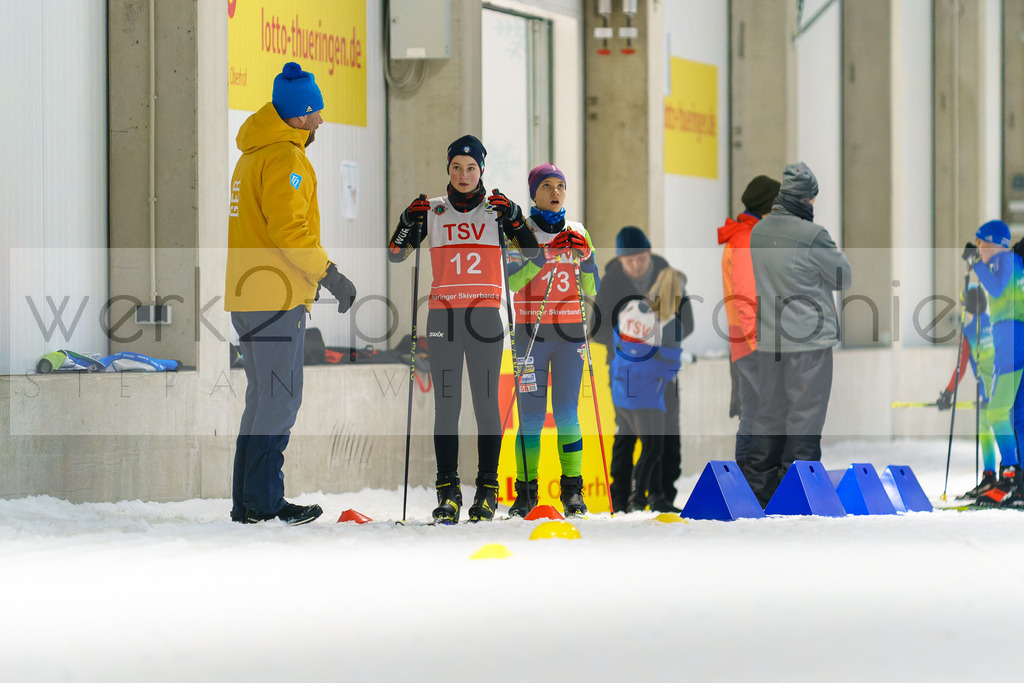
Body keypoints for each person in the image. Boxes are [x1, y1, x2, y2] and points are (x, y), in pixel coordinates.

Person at [225, 62, 357, 526]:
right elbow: (291, 231)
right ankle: (263, 501)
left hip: (248, 294)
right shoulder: (284, 157)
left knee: (263, 395)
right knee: (280, 397)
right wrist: (331, 274)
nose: (321, 119)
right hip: (274, 295)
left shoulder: (253, 153)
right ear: (300, 114)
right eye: (316, 111)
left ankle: (248, 499)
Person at [387, 134, 542, 523]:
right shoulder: (434, 211)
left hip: (485, 318)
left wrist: (516, 219)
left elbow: (533, 255)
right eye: (456, 166)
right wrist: (407, 219)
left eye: (471, 168)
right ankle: (448, 491)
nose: (463, 174)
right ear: (448, 170)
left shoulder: (496, 210)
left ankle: (486, 491)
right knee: (447, 406)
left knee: (486, 405)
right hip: (443, 319)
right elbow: (395, 253)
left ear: (482, 171)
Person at [746, 162, 851, 508]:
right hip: (809, 341)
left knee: (768, 416)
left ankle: (760, 492)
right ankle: (796, 495)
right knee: (805, 418)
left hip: (769, 342)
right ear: (806, 199)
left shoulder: (758, 232)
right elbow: (842, 277)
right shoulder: (813, 234)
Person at [503, 164, 599, 518]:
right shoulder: (521, 231)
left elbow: (593, 287)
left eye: (560, 186)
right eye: (547, 186)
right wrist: (544, 256)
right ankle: (526, 493)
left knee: (567, 414)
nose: (555, 192)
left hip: (571, 333)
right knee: (530, 417)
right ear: (534, 193)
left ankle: (573, 492)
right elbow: (512, 282)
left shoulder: (578, 230)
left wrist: (586, 259)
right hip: (531, 333)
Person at [594, 227, 694, 512]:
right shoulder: (611, 282)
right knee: (626, 435)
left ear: (649, 253)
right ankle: (622, 498)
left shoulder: (668, 276)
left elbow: (688, 321)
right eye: (629, 261)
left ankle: (661, 496)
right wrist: (632, 346)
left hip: (661, 374)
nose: (636, 265)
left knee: (665, 437)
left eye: (640, 258)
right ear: (621, 261)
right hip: (625, 374)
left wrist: (661, 342)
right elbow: (596, 329)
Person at [717, 175, 780, 479]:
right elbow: (744, 298)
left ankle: (748, 482)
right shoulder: (745, 239)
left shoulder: (748, 235)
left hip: (749, 341)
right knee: (757, 415)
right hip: (752, 342)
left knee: (754, 412)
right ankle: (749, 481)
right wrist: (759, 343)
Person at [964, 220, 1024, 507]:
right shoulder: (1012, 260)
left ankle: (1010, 475)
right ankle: (1016, 480)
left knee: (996, 412)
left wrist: (975, 266)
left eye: (980, 243)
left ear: (993, 242)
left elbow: (997, 291)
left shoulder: (1002, 259)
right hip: (1014, 337)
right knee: (1016, 416)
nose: (978, 249)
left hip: (1010, 340)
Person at [933, 285, 997, 500]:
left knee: (985, 427)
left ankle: (991, 478)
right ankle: (1012, 476)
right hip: (1011, 386)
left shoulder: (969, 332)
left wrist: (948, 393)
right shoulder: (998, 323)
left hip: (991, 394)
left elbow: (960, 368)